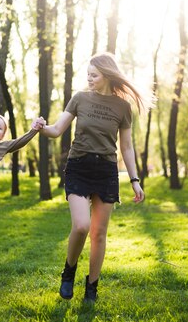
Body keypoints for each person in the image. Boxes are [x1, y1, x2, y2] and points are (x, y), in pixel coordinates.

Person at [38, 52, 149, 303]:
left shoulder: (123, 107)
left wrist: (134, 180)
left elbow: (127, 147)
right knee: (81, 226)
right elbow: (56, 130)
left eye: (94, 75)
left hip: (106, 171)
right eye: (87, 74)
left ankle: (92, 287)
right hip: (78, 167)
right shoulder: (80, 99)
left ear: (107, 76)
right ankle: (69, 271)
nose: (89, 79)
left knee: (99, 233)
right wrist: (41, 127)